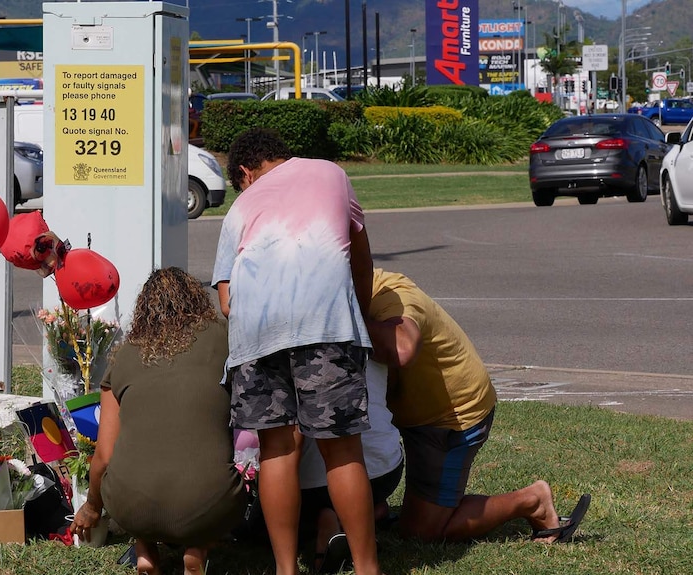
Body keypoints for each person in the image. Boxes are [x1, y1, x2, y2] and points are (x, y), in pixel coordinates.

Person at [211, 127, 382, 575]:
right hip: (325, 325)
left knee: (276, 452)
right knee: (341, 452)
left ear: (245, 173)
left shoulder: (239, 209)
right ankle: (367, 568)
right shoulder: (332, 173)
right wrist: (357, 315)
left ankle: (286, 570)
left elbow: (227, 300)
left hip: (254, 336)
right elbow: (360, 259)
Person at [366, 268, 591, 544]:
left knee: (422, 531)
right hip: (412, 412)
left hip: (453, 416)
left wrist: (340, 325)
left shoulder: (393, 297)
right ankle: (374, 507)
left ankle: (532, 501)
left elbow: (402, 346)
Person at [70, 267, 246, 575]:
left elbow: (104, 456)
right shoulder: (223, 337)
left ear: (144, 309)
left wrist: (92, 507)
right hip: (207, 501)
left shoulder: (125, 355)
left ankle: (146, 550)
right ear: (196, 300)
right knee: (214, 489)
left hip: (128, 506)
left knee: (143, 479)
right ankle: (197, 547)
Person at [298, 357, 404, 573]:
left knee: (264, 519)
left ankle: (289, 561)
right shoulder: (372, 331)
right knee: (346, 453)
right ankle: (361, 530)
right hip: (381, 472)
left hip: (303, 487)